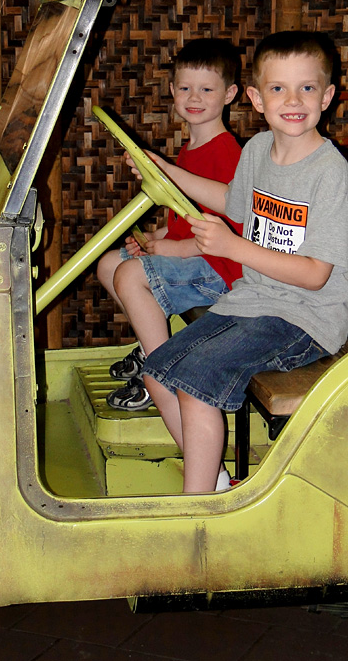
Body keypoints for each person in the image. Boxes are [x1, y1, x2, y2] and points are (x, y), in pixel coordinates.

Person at [135, 30, 348, 493]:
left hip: (305, 316)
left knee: (197, 379)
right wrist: (164, 169)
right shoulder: (258, 150)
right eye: (279, 88)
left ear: (328, 96)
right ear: (258, 99)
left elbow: (316, 275)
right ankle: (216, 483)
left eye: (307, 88)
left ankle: (197, 509)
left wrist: (235, 248)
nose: (293, 100)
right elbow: (232, 202)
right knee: (156, 371)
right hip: (253, 300)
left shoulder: (330, 173)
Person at [97, 38, 244, 412]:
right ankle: (151, 347)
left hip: (219, 269)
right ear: (173, 91)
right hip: (193, 257)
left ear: (229, 94)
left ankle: (160, 371)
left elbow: (227, 229)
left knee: (131, 276)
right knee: (110, 264)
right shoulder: (188, 149)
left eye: (206, 89)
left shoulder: (228, 153)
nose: (194, 97)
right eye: (185, 88)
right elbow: (186, 215)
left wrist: (172, 249)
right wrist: (157, 238)